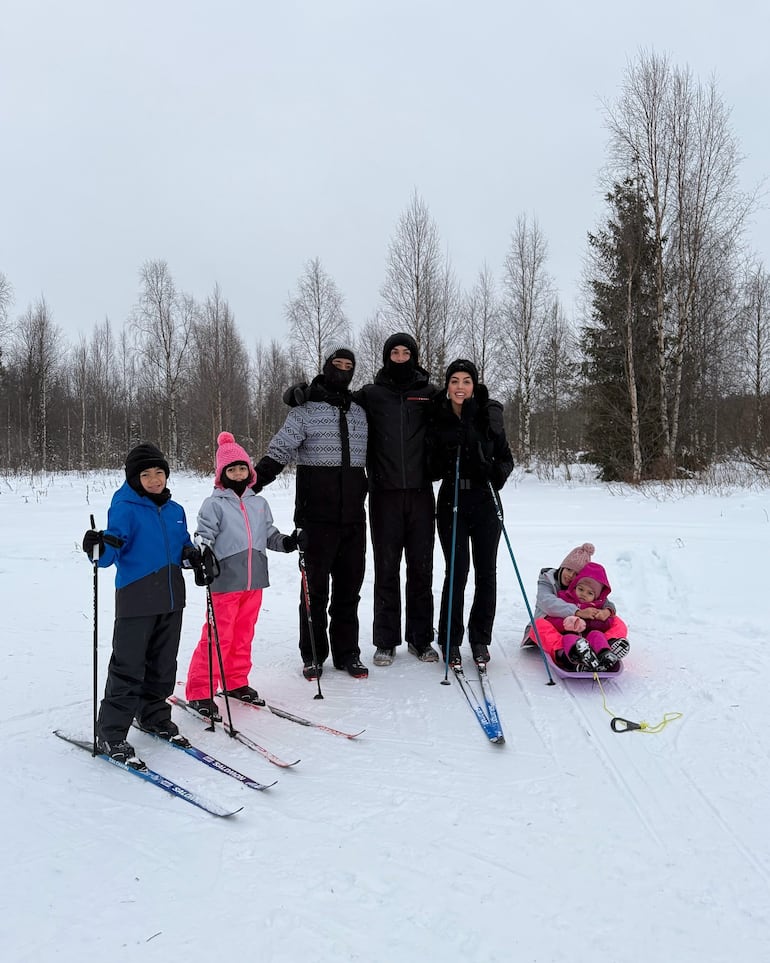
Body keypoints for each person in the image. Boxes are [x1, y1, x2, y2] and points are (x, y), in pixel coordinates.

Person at [284, 332, 440, 667]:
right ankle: (385, 641)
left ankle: (421, 638)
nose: (400, 356)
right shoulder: (370, 394)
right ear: (386, 357)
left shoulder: (429, 394)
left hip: (421, 494)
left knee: (421, 569)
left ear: (414, 355)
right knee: (386, 570)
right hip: (383, 496)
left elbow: (460, 407)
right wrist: (301, 393)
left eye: (405, 351)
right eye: (394, 351)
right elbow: (333, 396)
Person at [254, 346, 369, 679]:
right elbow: (280, 450)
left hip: (353, 518)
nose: (343, 370)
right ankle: (313, 654)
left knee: (349, 591)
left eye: (349, 366)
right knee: (314, 591)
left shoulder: (360, 411)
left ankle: (348, 653)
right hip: (316, 518)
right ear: (327, 367)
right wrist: (251, 484)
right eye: (338, 364)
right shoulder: (304, 411)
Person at [81, 443, 199, 764]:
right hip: (136, 599)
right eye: (146, 474)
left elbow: (183, 545)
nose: (154, 480)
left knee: (163, 664)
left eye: (159, 473)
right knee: (128, 666)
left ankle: (154, 715)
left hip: (172, 599)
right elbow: (109, 554)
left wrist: (192, 556)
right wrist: (97, 546)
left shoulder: (175, 511)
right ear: (134, 479)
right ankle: (110, 732)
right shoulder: (125, 507)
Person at [184, 431, 297, 719]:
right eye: (231, 468)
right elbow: (204, 534)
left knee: (243, 634)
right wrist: (202, 552)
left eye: (241, 467)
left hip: (254, 579)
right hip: (225, 580)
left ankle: (235, 682)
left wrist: (287, 542)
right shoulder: (215, 504)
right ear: (222, 474)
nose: (237, 472)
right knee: (217, 636)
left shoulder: (259, 504)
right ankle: (200, 691)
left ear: (250, 470)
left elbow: (268, 534)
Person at [427, 359, 514, 667]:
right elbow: (430, 466)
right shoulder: (437, 416)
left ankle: (480, 639)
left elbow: (506, 459)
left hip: (485, 499)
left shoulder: (487, 414)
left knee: (486, 572)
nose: (460, 387)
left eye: (466, 381)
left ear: (473, 385)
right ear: (447, 386)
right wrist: (442, 458)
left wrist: (491, 470)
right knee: (457, 571)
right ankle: (450, 639)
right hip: (452, 498)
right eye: (454, 381)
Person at [521, 542, 629, 670]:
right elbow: (547, 603)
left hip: (587, 633)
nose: (570, 576)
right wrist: (578, 612)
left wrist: (607, 611)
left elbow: (603, 600)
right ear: (562, 567)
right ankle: (566, 654)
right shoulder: (547, 580)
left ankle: (606, 649)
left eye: (576, 574)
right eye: (568, 569)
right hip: (555, 629)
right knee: (538, 625)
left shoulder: (582, 587)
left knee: (617, 621)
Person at [545, 562, 624, 671]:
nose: (583, 594)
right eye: (580, 589)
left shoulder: (598, 606)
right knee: (570, 639)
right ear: (574, 586)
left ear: (596, 596)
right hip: (568, 636)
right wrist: (566, 623)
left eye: (590, 593)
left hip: (589, 638)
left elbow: (607, 624)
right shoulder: (565, 598)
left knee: (597, 634)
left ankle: (605, 655)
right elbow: (551, 618)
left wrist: (597, 618)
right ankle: (576, 662)